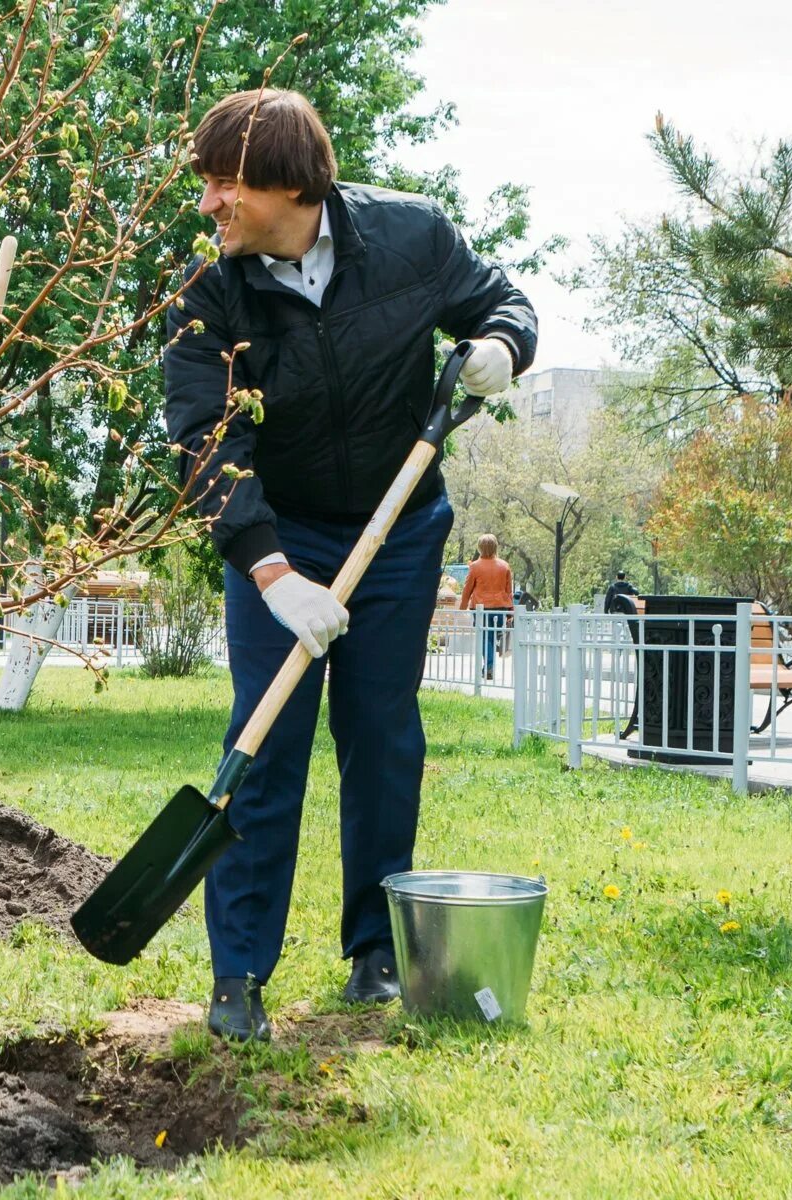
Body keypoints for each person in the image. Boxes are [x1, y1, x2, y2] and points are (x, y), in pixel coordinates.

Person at [164, 88, 535, 1040]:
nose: (209, 205)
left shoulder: (410, 237)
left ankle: (375, 950)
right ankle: (240, 973)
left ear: (288, 185)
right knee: (267, 737)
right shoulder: (209, 299)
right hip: (283, 535)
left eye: (224, 187)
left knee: (381, 736)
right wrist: (272, 574)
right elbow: (204, 443)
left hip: (397, 527)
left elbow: (502, 299)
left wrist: (501, 345)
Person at [459, 534, 514, 680]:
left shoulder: (475, 567)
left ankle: (489, 667)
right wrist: (511, 611)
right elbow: (509, 591)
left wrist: (462, 607)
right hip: (500, 607)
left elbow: (467, 589)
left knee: (485, 638)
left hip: (481, 608)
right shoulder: (504, 566)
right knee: (491, 635)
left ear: (480, 547)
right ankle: (489, 663)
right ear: (496, 546)